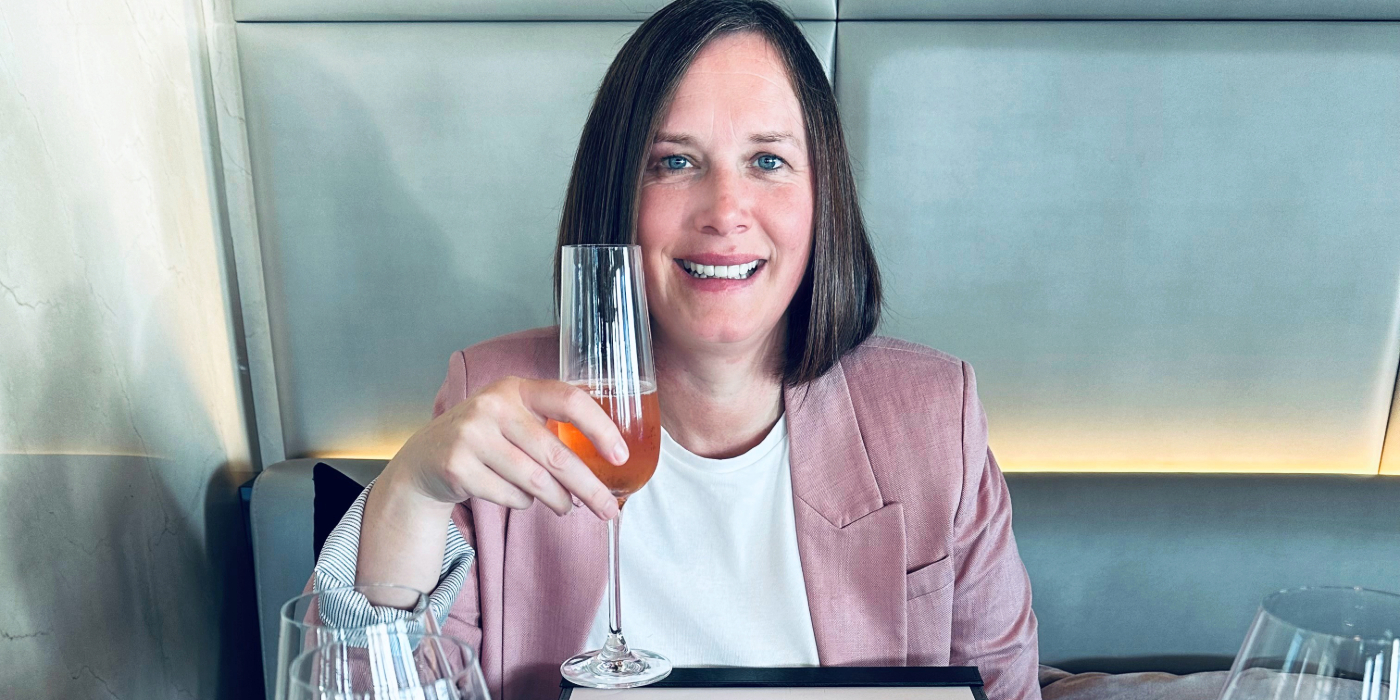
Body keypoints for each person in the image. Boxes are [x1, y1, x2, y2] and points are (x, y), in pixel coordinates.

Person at [312, 1, 1040, 698]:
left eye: (768, 161)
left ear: (824, 198)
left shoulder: (934, 417)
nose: (726, 212)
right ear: (619, 192)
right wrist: (410, 491)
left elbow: (1004, 692)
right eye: (675, 162)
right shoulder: (492, 396)